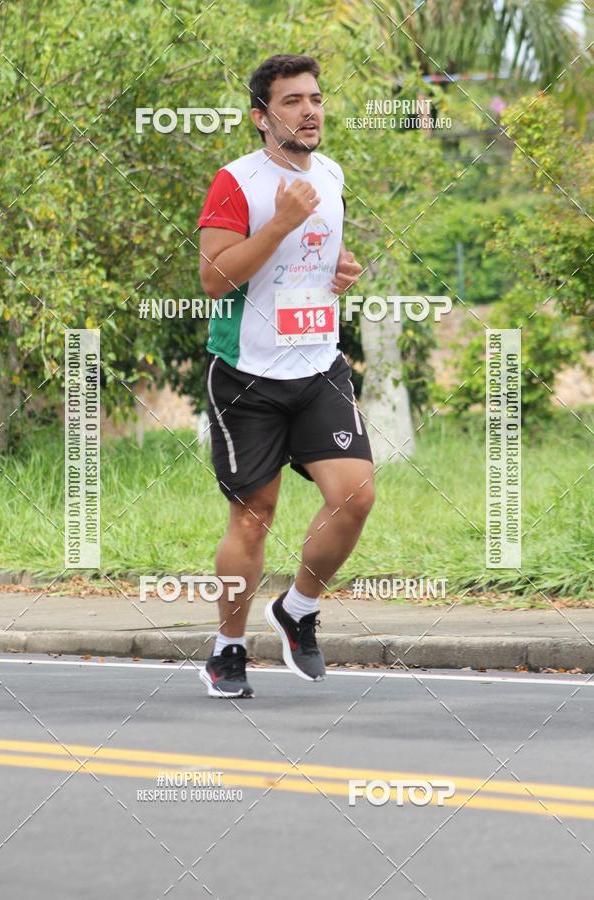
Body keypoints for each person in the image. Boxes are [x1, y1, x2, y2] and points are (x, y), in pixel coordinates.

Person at [197, 54, 374, 698]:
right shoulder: (236, 181)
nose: (310, 110)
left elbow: (312, 263)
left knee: (354, 496)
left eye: (316, 98)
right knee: (254, 516)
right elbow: (215, 276)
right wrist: (279, 221)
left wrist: (342, 272)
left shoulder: (331, 174)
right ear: (262, 116)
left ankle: (297, 609)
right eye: (293, 100)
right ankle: (228, 648)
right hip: (248, 374)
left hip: (319, 364)